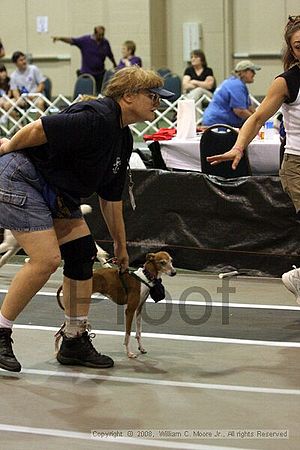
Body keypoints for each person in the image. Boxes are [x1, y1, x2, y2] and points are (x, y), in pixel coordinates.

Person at [0, 66, 174, 373]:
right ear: (128, 96)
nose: (157, 101)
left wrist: (121, 246)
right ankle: (1, 332)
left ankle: (74, 340)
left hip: (53, 188)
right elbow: (39, 130)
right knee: (46, 259)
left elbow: (111, 198)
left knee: (81, 253)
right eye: (151, 95)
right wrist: (7, 147)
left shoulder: (121, 137)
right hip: (20, 177)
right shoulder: (96, 117)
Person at [206, 16, 300, 301]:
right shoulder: (286, 82)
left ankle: (298, 277)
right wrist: (238, 146)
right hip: (297, 165)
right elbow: (257, 117)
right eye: (298, 46)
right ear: (292, 50)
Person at [52, 26, 117, 94]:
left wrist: (115, 64)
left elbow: (110, 55)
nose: (101, 37)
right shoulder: (85, 40)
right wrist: (60, 38)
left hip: (100, 74)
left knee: (101, 93)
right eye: (99, 35)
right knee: (86, 93)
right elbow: (72, 40)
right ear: (95, 33)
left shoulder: (105, 42)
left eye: (103, 35)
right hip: (87, 73)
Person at [202, 59, 260, 127]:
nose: (254, 74)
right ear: (243, 72)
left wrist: (259, 118)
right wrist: (257, 121)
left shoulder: (233, 82)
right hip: (218, 123)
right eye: (252, 71)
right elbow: (240, 111)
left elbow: (249, 107)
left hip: (214, 121)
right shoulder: (237, 85)